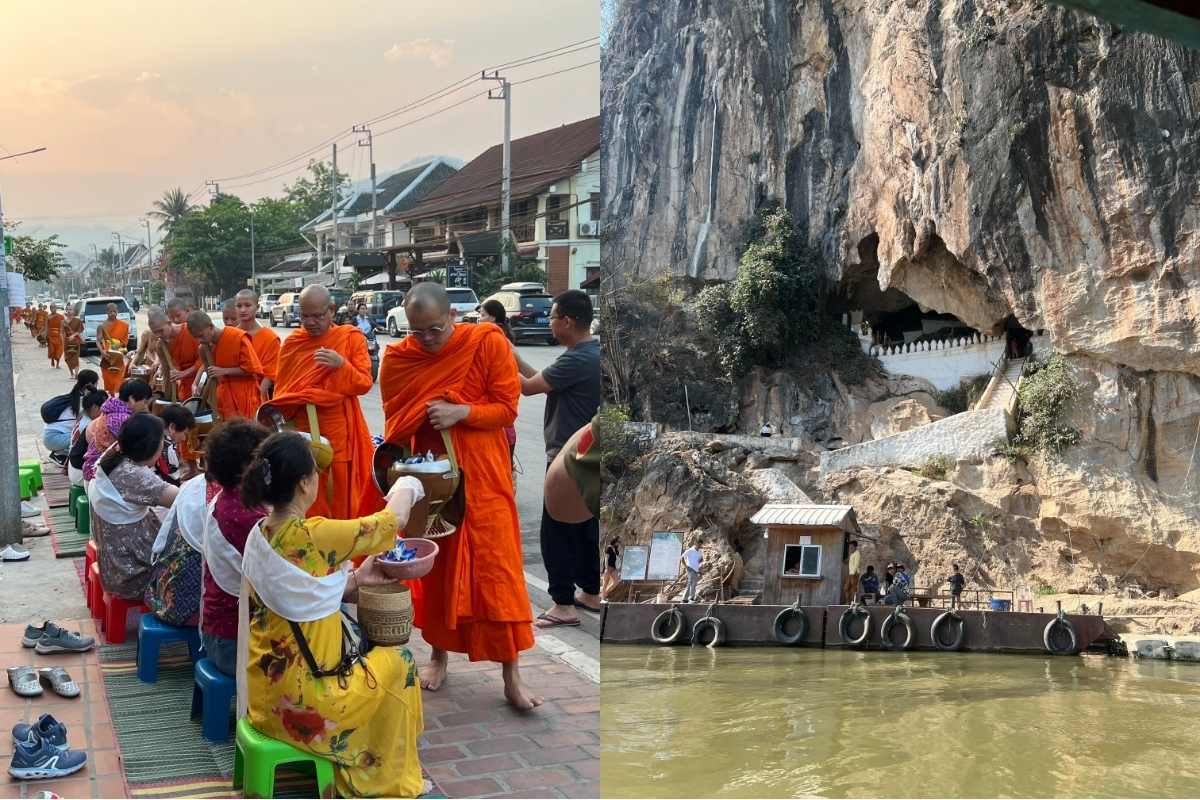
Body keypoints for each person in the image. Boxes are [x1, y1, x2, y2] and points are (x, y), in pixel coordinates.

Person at [378, 282, 541, 709]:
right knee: (439, 569)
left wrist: (461, 411)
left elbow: (507, 407)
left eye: (434, 328)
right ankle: (438, 657)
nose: (427, 339)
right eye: (418, 332)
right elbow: (395, 419)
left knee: (496, 572)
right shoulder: (400, 358)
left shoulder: (486, 341)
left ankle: (512, 674)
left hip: (484, 477)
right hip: (433, 478)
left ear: (453, 316)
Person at [237, 432, 427, 798]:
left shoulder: (260, 533)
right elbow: (394, 519)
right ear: (305, 483)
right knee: (398, 659)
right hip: (307, 705)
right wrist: (407, 481)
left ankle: (372, 750)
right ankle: (381, 775)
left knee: (377, 664)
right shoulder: (314, 535)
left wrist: (355, 579)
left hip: (264, 697)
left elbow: (297, 596)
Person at [513, 290, 601, 627]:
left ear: (567, 321)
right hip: (589, 457)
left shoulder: (578, 358)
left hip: (568, 460)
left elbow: (527, 387)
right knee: (584, 528)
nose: (548, 321)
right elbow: (542, 381)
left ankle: (563, 605)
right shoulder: (589, 354)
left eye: (551, 316)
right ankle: (591, 593)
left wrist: (504, 352)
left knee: (557, 531)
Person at [271, 285, 381, 519]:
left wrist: (342, 365)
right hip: (301, 431)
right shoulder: (293, 344)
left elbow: (363, 384)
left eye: (317, 316)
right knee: (303, 488)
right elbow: (282, 392)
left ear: (331, 310)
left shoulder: (349, 338)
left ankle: (340, 542)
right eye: (304, 316)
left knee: (338, 490)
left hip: (337, 430)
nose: (310, 322)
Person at [199, 419, 269, 676]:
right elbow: (283, 582)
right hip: (233, 644)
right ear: (246, 468)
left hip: (217, 633)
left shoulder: (225, 498)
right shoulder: (247, 516)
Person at [90, 413, 180, 602]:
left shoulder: (115, 453)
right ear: (151, 446)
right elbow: (183, 500)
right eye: (162, 440)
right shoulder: (134, 475)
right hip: (132, 575)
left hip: (115, 566)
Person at [186, 310, 264, 419]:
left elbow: (253, 369)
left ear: (211, 326)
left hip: (244, 395)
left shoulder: (236, 337)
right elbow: (212, 378)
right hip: (222, 398)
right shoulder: (204, 349)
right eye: (195, 337)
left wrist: (224, 371)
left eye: (201, 335)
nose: (199, 340)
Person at [83, 379, 153, 481]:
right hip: (98, 476)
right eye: (145, 402)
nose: (146, 407)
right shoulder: (122, 419)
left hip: (94, 470)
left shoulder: (112, 411)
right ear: (132, 398)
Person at [478, 299, 518, 467]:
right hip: (506, 428)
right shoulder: (504, 337)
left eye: (482, 316)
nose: (479, 320)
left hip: (497, 429)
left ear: (492, 318)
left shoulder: (492, 339)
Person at [42, 370, 99, 462]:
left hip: (52, 437)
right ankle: (58, 454)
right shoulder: (83, 403)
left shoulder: (75, 398)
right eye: (96, 383)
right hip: (54, 438)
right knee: (87, 437)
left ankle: (61, 452)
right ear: (90, 384)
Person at [235, 289, 280, 398]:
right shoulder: (231, 335)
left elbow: (270, 374)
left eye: (247, 305)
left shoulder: (270, 338)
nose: (243, 310)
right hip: (231, 393)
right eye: (239, 306)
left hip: (257, 394)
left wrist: (255, 396)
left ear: (257, 307)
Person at [158, 300, 201, 398]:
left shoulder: (196, 331)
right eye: (172, 317)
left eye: (178, 315)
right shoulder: (164, 340)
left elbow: (205, 361)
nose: (176, 320)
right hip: (182, 381)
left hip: (200, 379)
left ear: (187, 311)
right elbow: (167, 371)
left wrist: (184, 373)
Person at [69, 391, 107, 487]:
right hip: (79, 471)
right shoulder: (91, 424)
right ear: (95, 408)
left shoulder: (84, 416)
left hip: (75, 465)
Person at [155, 405, 196, 487]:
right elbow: (174, 483)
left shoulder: (150, 431)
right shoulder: (169, 447)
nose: (184, 438)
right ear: (172, 426)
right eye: (184, 433)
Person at [95, 304, 130, 395]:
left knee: (120, 372)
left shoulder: (124, 325)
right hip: (107, 351)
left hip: (118, 352)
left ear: (117, 311)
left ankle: (121, 394)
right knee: (108, 374)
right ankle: (112, 395)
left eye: (114, 311)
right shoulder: (102, 326)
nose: (112, 313)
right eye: (110, 311)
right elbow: (98, 341)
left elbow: (125, 341)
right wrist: (102, 352)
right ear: (106, 311)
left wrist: (118, 345)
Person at [62, 304, 85, 379]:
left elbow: (80, 330)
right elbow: (62, 332)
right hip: (67, 341)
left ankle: (76, 373)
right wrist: (63, 339)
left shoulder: (77, 320)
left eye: (70, 310)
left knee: (75, 357)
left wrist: (74, 335)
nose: (69, 311)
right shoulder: (63, 321)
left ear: (74, 311)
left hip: (75, 340)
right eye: (67, 310)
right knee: (68, 358)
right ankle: (71, 373)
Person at [680, 537, 703, 603]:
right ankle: (691, 598)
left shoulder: (700, 551)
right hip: (690, 568)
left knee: (690, 583)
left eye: (701, 545)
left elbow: (701, 558)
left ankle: (684, 599)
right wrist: (685, 566)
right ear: (695, 544)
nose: (700, 546)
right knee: (694, 582)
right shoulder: (690, 550)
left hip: (696, 569)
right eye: (699, 545)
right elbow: (682, 557)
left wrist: (701, 560)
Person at [44, 304, 64, 369]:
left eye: (54, 308)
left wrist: (63, 336)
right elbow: (46, 326)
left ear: (56, 308)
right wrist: (44, 335)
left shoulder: (61, 317)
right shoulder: (48, 317)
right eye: (51, 308)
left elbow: (63, 327)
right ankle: (52, 359)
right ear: (50, 309)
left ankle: (58, 364)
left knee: (59, 350)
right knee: (52, 350)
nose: (53, 309)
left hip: (58, 335)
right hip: (50, 335)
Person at [601, 536, 620, 603]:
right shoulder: (609, 548)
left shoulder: (616, 550)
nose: (619, 543)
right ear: (614, 541)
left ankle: (604, 592)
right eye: (618, 541)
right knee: (605, 583)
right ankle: (603, 598)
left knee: (616, 582)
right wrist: (606, 568)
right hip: (608, 567)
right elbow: (606, 558)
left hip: (613, 567)